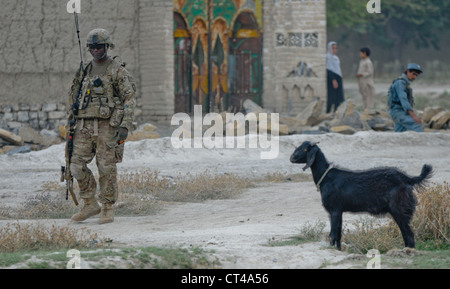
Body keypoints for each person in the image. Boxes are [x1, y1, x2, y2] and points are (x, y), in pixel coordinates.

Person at [67, 28, 136, 224]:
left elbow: (129, 98)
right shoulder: (84, 71)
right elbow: (73, 97)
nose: (95, 50)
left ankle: (107, 207)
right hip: (84, 125)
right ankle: (90, 203)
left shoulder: (117, 70)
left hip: (108, 126)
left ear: (107, 46)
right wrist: (71, 121)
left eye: (99, 46)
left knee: (106, 167)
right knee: (76, 166)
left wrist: (125, 125)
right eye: (92, 47)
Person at [388, 63, 423, 132]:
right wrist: (414, 116)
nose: (415, 77)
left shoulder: (405, 83)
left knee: (400, 133)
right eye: (413, 74)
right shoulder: (400, 83)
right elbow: (403, 100)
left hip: (398, 112)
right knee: (417, 125)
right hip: (398, 111)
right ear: (407, 71)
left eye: (416, 75)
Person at [326, 41, 345, 113]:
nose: (335, 50)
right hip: (331, 78)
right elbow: (328, 69)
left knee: (339, 97)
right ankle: (328, 113)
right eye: (333, 48)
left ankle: (336, 113)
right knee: (331, 97)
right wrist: (333, 79)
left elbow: (338, 69)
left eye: (336, 48)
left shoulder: (336, 58)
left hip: (338, 77)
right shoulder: (327, 57)